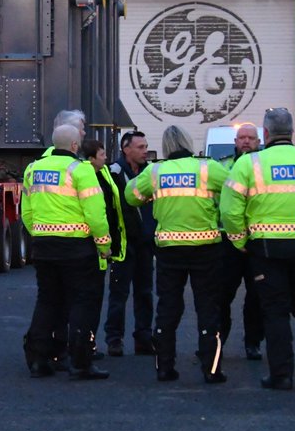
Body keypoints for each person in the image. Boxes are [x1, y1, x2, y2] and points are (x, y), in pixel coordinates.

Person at [221, 107, 295, 390]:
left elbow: (229, 210)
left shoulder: (249, 164)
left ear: (265, 134)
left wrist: (240, 241)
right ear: (292, 132)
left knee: (275, 311)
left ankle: (282, 374)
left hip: (266, 248)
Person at [125, 125, 229, 384]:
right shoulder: (208, 168)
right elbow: (233, 189)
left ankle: (164, 367)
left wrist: (150, 198)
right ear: (188, 142)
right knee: (208, 307)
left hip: (169, 249)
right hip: (206, 247)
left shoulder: (156, 171)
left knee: (168, 308)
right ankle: (211, 369)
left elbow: (131, 196)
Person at [21, 124, 112, 380]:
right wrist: (104, 245)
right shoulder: (80, 170)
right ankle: (80, 362)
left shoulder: (33, 169)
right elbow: (96, 213)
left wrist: (39, 233)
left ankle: (39, 360)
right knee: (83, 303)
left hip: (44, 246)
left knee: (47, 300)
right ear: (74, 146)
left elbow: (26, 212)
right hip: (77, 248)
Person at [104, 130, 156, 358]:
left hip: (145, 243)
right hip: (123, 245)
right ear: (126, 149)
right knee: (119, 293)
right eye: (140, 147)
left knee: (145, 292)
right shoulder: (113, 173)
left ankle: (143, 338)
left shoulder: (150, 173)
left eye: (146, 146)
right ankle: (114, 339)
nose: (145, 151)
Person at [217, 123, 265, 361]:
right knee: (223, 294)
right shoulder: (223, 165)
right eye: (242, 137)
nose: (246, 141)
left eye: (251, 137)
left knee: (257, 296)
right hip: (229, 241)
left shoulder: (265, 165)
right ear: (235, 142)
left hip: (256, 239)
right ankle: (217, 341)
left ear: (258, 142)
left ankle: (253, 343)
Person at [82, 138, 127, 265]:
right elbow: (95, 214)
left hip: (107, 233)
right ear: (91, 159)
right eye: (102, 155)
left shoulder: (105, 173)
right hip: (92, 239)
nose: (105, 157)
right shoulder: (87, 179)